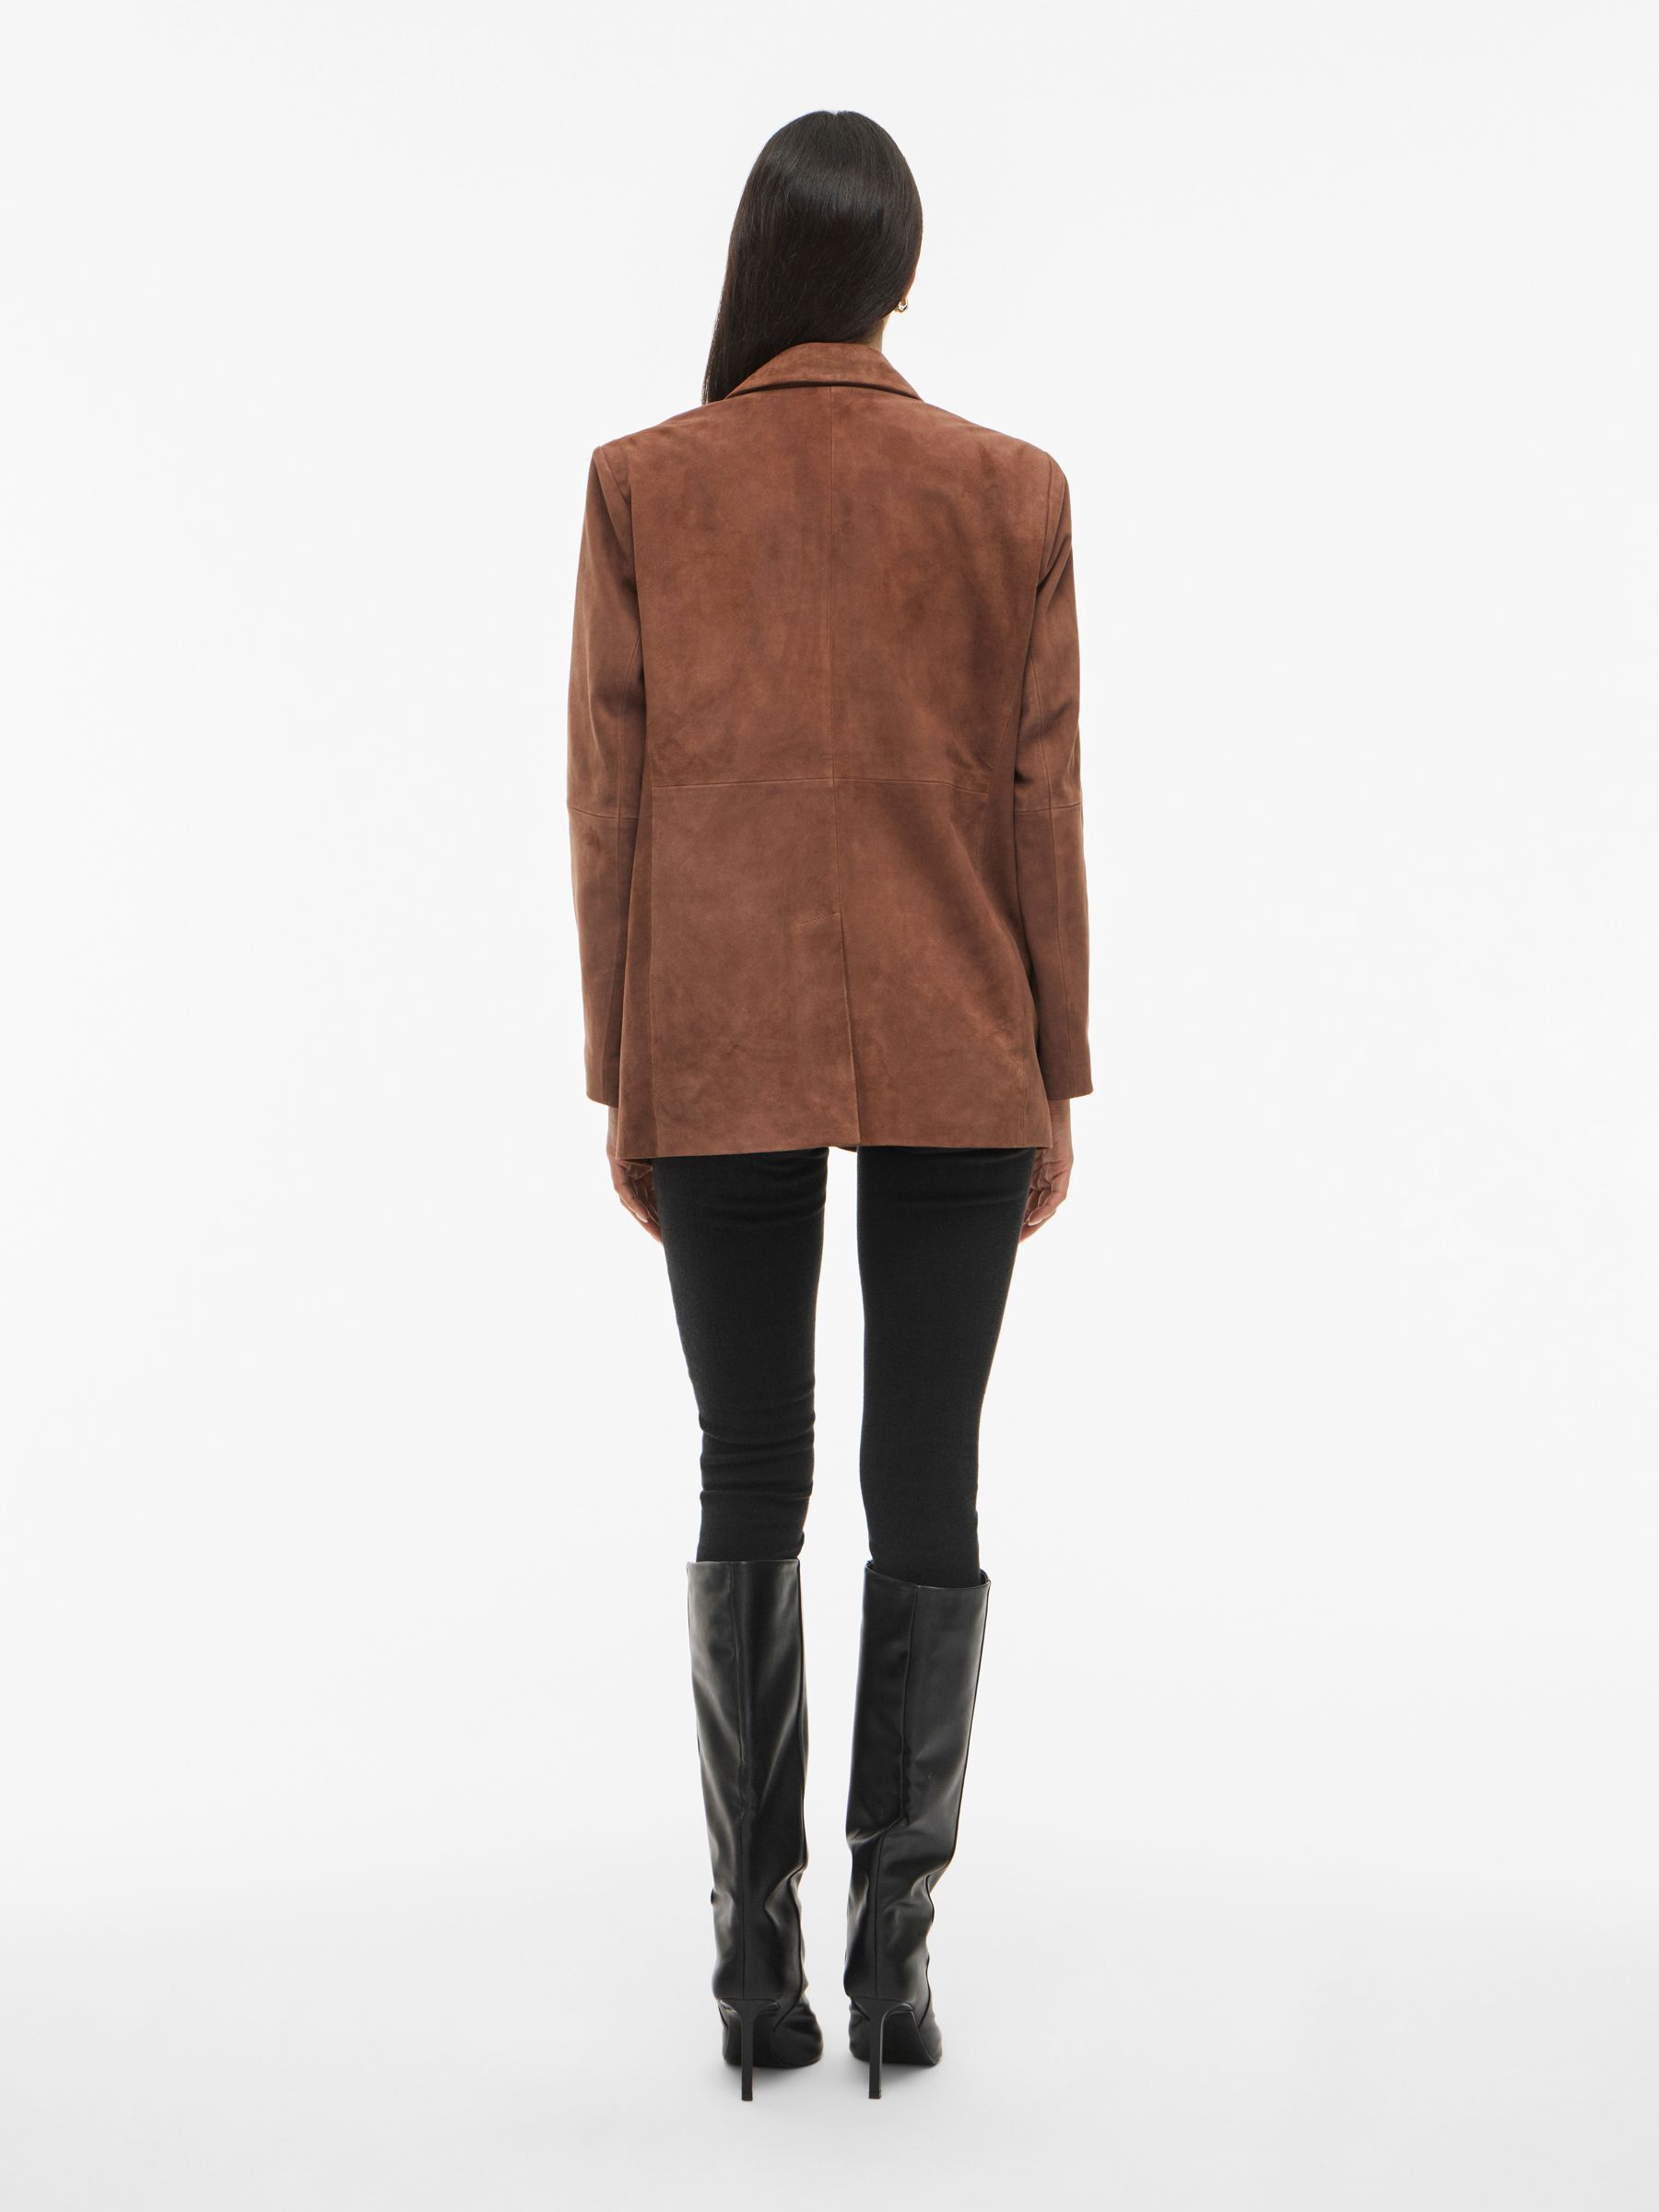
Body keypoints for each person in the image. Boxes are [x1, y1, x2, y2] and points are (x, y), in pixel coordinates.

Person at [565, 109, 1091, 2100]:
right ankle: (895, 1964)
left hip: (715, 1028)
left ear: (761, 264)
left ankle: (752, 1967)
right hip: (964, 1027)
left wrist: (625, 1071)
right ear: (900, 277)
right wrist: (1054, 1069)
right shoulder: (1012, 489)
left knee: (748, 1473)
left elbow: (606, 804)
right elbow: (1045, 800)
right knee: (929, 1479)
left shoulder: (645, 483)